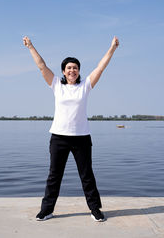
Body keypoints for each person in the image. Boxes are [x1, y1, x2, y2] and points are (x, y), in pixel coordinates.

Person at [23, 35, 119, 222]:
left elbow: (101, 67)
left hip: (81, 138)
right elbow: (42, 66)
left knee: (87, 176)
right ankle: (46, 210)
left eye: (75, 68)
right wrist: (31, 47)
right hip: (59, 137)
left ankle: (95, 210)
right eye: (69, 68)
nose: (72, 70)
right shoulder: (56, 85)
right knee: (54, 176)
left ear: (79, 71)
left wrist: (112, 48)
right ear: (64, 71)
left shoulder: (86, 86)